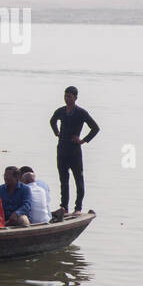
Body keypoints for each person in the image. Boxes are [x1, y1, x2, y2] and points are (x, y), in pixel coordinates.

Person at [49, 85, 99, 214]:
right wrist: (57, 132)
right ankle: (64, 207)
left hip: (74, 150)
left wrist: (83, 140)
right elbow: (52, 121)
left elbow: (95, 128)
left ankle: (78, 208)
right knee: (63, 179)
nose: (67, 98)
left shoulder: (81, 112)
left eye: (70, 96)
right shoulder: (61, 111)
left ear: (75, 98)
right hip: (62, 148)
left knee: (78, 179)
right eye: (65, 96)